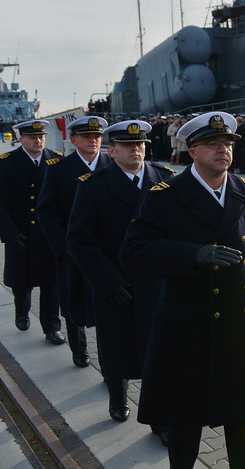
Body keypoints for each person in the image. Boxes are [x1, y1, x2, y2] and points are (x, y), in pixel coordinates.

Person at [120, 111, 245, 469]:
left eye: (228, 144)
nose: (223, 149)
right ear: (193, 151)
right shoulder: (166, 195)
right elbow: (133, 253)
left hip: (238, 324)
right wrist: (194, 254)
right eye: (212, 144)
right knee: (184, 425)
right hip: (186, 327)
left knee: (244, 419)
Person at [67, 120, 175, 438]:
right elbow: (80, 240)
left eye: (140, 143)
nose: (135, 149)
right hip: (114, 283)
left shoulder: (164, 179)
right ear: (112, 151)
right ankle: (117, 396)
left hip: (156, 285)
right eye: (128, 145)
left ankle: (160, 418)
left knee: (159, 353)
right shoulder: (92, 185)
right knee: (117, 347)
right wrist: (107, 282)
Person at [38, 115, 112, 368]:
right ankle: (79, 350)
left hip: (106, 252)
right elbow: (47, 212)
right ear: (74, 139)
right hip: (73, 252)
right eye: (88, 136)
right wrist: (63, 248)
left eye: (97, 136)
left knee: (108, 305)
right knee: (73, 303)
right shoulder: (59, 170)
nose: (94, 141)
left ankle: (109, 360)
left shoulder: (112, 166)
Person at [0, 120, 63, 343]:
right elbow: (1, 203)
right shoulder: (6, 164)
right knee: (21, 281)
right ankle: (22, 311)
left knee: (51, 283)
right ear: (21, 139)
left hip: (48, 234)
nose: (38, 141)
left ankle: (51, 326)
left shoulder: (55, 161)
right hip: (20, 232)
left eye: (41, 137)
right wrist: (9, 233)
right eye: (32, 137)